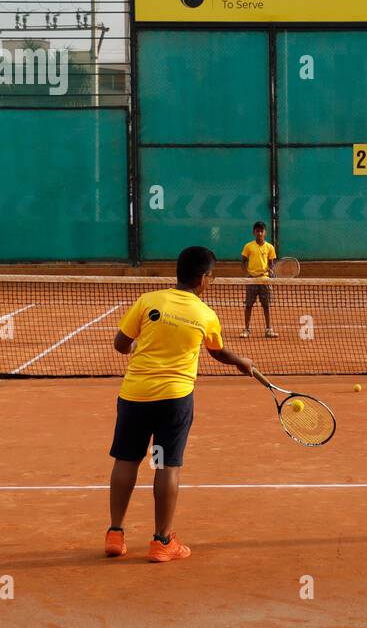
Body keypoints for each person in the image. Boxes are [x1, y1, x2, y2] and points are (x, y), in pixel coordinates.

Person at [105, 245, 255, 563]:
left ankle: (115, 534)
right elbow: (217, 352)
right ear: (203, 278)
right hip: (173, 401)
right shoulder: (205, 315)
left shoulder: (148, 301)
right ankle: (161, 541)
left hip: (135, 397)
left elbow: (121, 344)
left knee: (126, 460)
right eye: (211, 276)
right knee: (165, 464)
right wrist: (242, 362)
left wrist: (146, 342)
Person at [241, 221, 278, 338]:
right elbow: (243, 262)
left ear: (265, 232)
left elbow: (271, 264)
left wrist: (270, 271)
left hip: (265, 280)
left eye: (262, 231)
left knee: (266, 306)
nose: (260, 233)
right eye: (257, 231)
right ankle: (246, 329)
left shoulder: (270, 247)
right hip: (251, 280)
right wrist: (248, 273)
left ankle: (268, 330)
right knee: (248, 305)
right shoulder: (248, 246)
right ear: (254, 232)